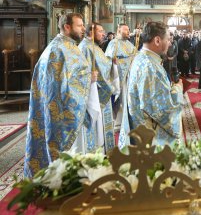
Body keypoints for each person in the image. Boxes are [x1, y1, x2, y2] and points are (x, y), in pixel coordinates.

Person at [24, 13, 97, 177]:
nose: (84, 29)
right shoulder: (57, 49)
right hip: (62, 114)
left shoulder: (68, 46)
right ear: (67, 27)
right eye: (80, 25)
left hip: (70, 107)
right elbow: (58, 85)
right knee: (64, 156)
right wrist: (88, 78)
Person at [119, 21, 184, 147]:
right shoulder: (150, 67)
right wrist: (177, 89)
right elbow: (162, 111)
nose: (170, 43)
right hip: (150, 135)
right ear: (158, 40)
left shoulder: (141, 57)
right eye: (168, 39)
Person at [78, 22, 115, 152]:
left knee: (102, 125)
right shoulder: (85, 47)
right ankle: (94, 154)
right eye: (100, 31)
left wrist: (112, 63)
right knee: (95, 126)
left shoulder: (94, 46)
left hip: (101, 90)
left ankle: (104, 151)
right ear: (91, 32)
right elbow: (81, 72)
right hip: (94, 93)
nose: (103, 33)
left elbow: (103, 66)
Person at [105, 24, 137, 127]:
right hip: (118, 78)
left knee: (128, 99)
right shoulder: (113, 43)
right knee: (118, 99)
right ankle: (117, 122)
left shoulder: (129, 43)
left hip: (129, 77)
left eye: (129, 30)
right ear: (119, 30)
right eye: (126, 30)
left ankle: (126, 121)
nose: (128, 32)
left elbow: (136, 56)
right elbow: (108, 60)